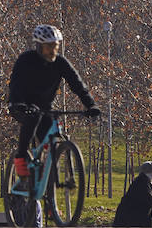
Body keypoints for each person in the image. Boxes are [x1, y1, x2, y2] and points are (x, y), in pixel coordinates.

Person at [6, 24, 100, 178]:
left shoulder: (60, 63)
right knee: (32, 118)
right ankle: (21, 157)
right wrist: (18, 103)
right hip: (21, 105)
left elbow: (77, 84)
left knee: (50, 136)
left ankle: (45, 175)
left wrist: (90, 104)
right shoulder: (25, 60)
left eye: (55, 46)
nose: (53, 50)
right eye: (48, 46)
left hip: (45, 108)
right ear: (39, 46)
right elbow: (15, 84)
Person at [113, 161, 152, 228]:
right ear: (151, 173)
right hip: (129, 219)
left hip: (130, 217)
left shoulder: (143, 181)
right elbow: (151, 200)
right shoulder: (142, 183)